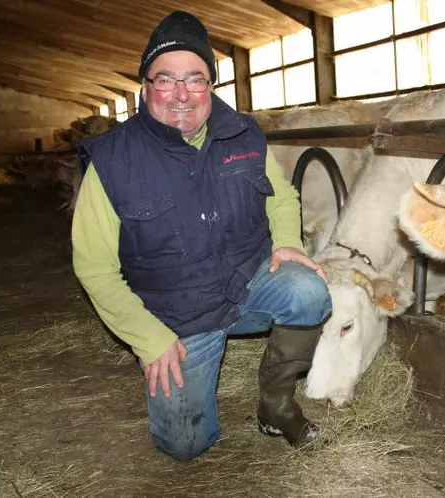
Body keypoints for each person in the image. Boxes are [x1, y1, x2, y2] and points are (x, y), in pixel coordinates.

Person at [72, 10, 332, 462]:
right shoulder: (113, 161)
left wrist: (288, 239)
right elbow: (93, 266)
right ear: (145, 86)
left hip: (244, 283)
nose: (180, 95)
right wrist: (149, 338)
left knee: (307, 289)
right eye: (165, 80)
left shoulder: (242, 134)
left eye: (194, 80)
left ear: (210, 85)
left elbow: (281, 197)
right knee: (185, 447)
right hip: (178, 314)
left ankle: (276, 405)